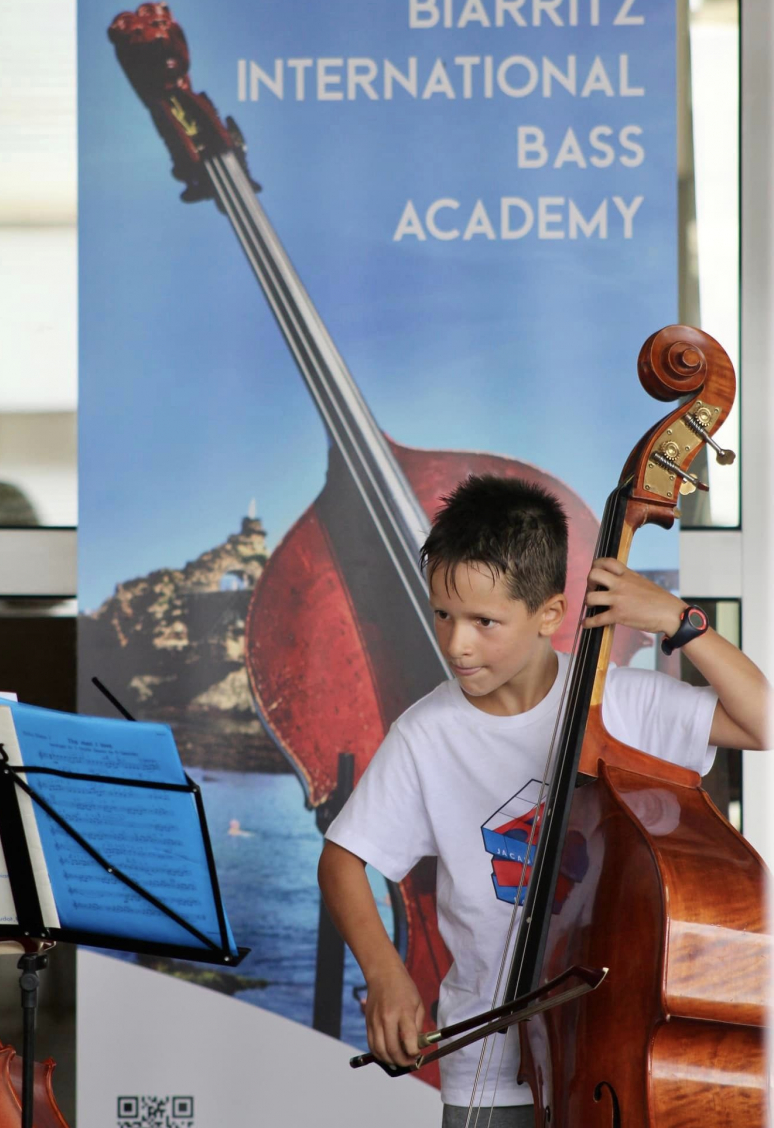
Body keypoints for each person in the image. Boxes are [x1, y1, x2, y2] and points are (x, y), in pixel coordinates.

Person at [317, 475, 768, 1128]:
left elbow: (763, 722)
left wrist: (676, 619)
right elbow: (342, 859)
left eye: (484, 622)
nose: (455, 644)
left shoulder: (621, 703)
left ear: (549, 615)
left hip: (613, 1044)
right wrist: (386, 972)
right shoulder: (428, 731)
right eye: (443, 614)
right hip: (489, 1069)